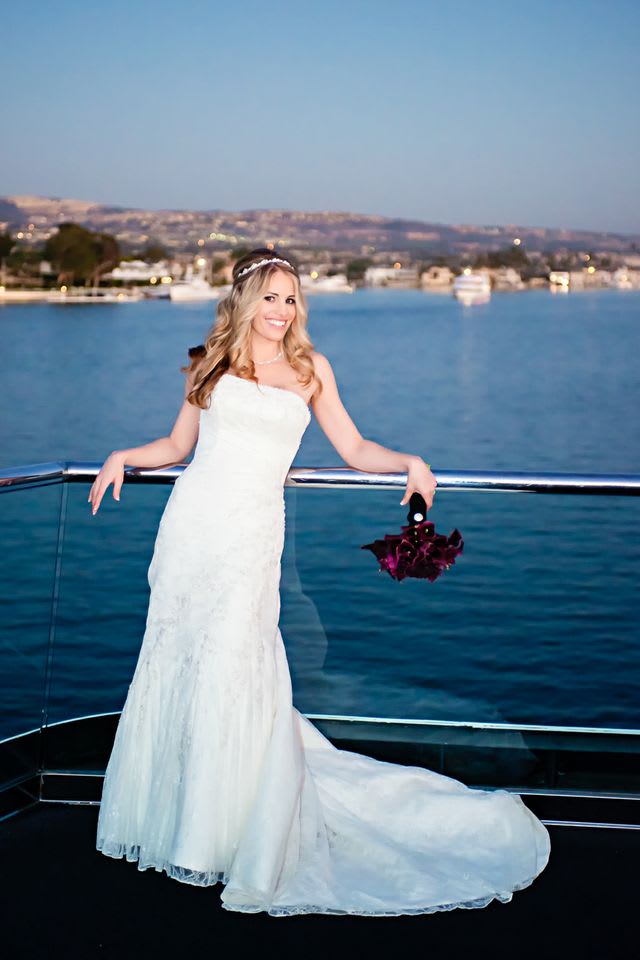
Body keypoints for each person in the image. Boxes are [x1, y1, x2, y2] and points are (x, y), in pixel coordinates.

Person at [91, 248, 550, 917]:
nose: (282, 311)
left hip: (250, 537)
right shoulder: (207, 362)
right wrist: (122, 456)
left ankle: (228, 830)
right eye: (270, 297)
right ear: (245, 300)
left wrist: (410, 462)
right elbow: (178, 448)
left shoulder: (310, 369)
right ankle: (178, 822)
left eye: (291, 299)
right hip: (190, 530)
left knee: (236, 664)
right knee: (177, 659)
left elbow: (354, 449)